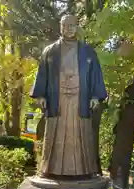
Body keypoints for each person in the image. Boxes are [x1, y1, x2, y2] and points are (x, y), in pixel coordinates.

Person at [30, 14, 107, 179]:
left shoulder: (88, 51)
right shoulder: (50, 51)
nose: (69, 28)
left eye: (72, 25)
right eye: (65, 25)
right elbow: (43, 73)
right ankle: (50, 169)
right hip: (57, 98)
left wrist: (95, 96)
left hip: (81, 98)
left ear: (76, 27)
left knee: (82, 133)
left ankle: (84, 170)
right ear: (60, 27)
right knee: (54, 131)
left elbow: (95, 75)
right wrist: (41, 94)